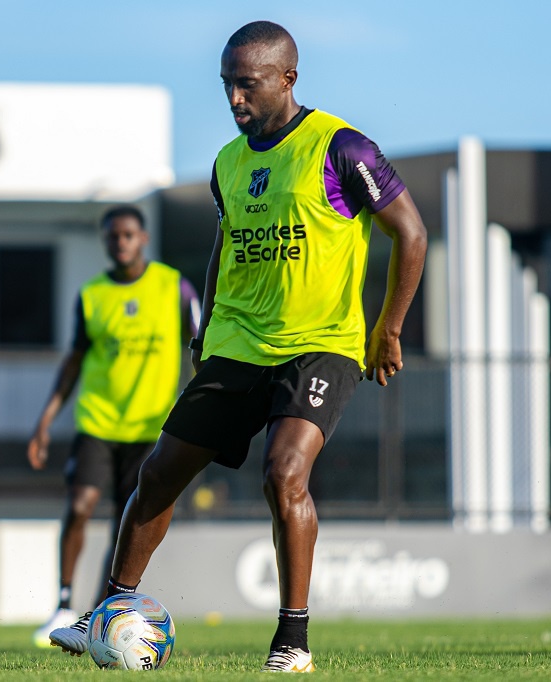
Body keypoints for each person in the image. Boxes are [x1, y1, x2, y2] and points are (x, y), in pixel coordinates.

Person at [50, 21, 427, 672]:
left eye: (245, 85)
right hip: (235, 347)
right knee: (158, 474)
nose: (233, 100)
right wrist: (206, 331)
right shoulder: (228, 163)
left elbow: (411, 233)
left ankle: (292, 640)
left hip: (319, 345)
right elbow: (226, 249)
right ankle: (105, 612)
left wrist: (386, 327)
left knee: (283, 474)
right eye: (226, 85)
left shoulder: (341, 147)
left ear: (287, 79)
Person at [28, 205, 199, 647]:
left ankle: (103, 612)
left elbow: (202, 346)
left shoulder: (174, 287)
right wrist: (46, 420)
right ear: (105, 242)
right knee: (81, 504)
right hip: (98, 422)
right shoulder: (91, 295)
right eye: (112, 236)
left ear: (142, 238)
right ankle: (63, 605)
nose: (120, 242)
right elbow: (74, 360)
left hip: (151, 428)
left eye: (127, 234)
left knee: (126, 523)